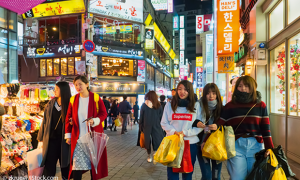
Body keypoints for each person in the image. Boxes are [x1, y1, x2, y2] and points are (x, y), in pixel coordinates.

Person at [215, 75, 274, 180]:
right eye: (240, 86)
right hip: (236, 146)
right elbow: (219, 125)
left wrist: (270, 148)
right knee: (237, 177)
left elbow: (266, 129)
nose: (243, 88)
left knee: (254, 176)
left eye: (246, 86)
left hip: (256, 145)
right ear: (236, 87)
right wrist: (205, 140)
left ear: (252, 87)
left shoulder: (260, 105)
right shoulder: (229, 106)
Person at [65, 75, 108, 180]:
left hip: (93, 137)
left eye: (80, 84)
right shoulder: (73, 99)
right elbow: (68, 117)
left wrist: (95, 120)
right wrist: (68, 135)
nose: (78, 86)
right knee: (76, 166)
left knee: (94, 166)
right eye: (76, 85)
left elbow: (104, 113)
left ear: (87, 84)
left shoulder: (96, 98)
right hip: (78, 138)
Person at [161, 80, 202, 180]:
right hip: (173, 142)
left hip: (190, 143)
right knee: (172, 174)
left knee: (187, 174)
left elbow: (199, 125)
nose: (182, 92)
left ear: (190, 91)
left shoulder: (196, 105)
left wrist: (185, 133)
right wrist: (173, 132)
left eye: (185, 89)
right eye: (179, 89)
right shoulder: (169, 105)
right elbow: (164, 123)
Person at [37, 82, 71, 179]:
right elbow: (45, 121)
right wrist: (40, 138)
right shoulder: (51, 103)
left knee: (65, 164)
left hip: (65, 141)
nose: (54, 91)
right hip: (51, 140)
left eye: (57, 89)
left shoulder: (70, 104)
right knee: (49, 165)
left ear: (63, 90)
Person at [193, 83, 223, 180]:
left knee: (216, 176)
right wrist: (197, 122)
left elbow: (226, 126)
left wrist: (218, 126)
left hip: (217, 146)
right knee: (207, 176)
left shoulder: (222, 108)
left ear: (217, 94)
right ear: (204, 94)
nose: (211, 96)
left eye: (214, 93)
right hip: (201, 145)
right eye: (208, 93)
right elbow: (191, 122)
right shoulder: (198, 106)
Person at [139, 91, 164, 163]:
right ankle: (155, 153)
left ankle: (148, 156)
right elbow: (161, 117)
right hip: (156, 125)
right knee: (156, 139)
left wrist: (141, 126)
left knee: (147, 141)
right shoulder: (158, 105)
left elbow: (141, 117)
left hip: (146, 125)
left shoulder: (144, 105)